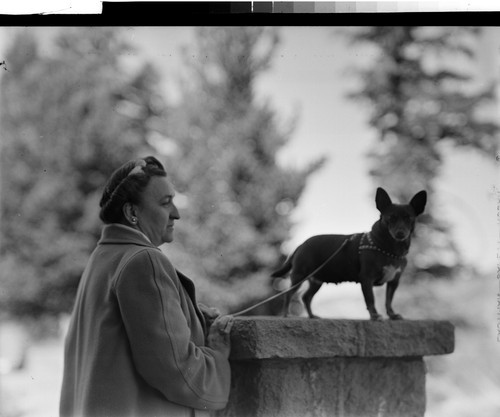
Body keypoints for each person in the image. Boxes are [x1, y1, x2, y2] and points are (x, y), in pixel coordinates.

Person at [60, 156, 233, 417]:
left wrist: (195, 320)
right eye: (166, 203)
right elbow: (177, 371)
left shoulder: (103, 258)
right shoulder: (144, 260)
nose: (177, 212)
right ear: (132, 213)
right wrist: (218, 354)